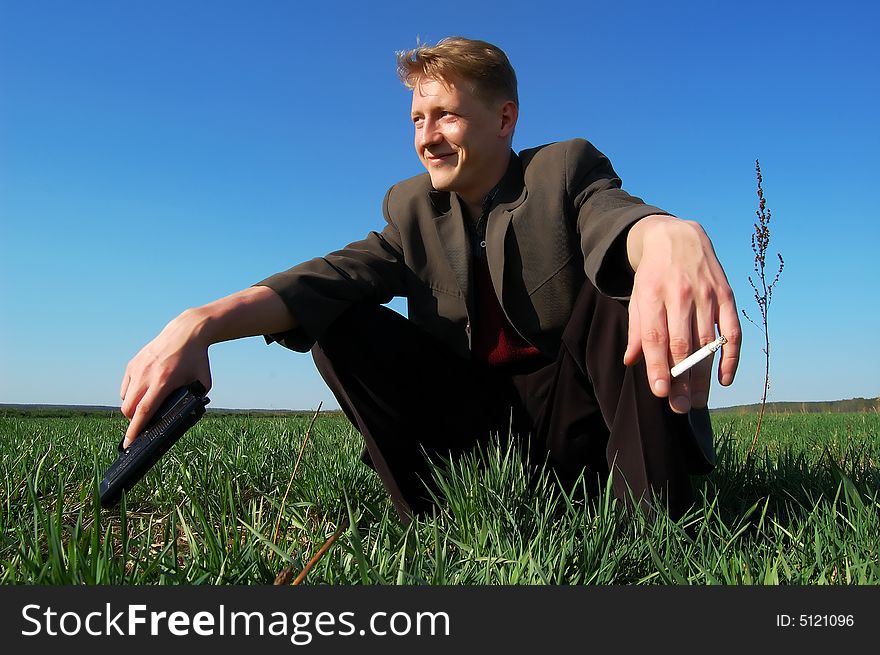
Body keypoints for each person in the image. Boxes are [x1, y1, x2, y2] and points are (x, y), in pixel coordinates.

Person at [119, 37, 741, 523]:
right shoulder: (411, 209)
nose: (426, 138)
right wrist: (198, 323)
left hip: (581, 419)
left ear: (504, 118)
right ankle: (441, 520)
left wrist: (668, 234)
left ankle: (654, 526)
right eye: (417, 119)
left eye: (444, 116)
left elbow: (614, 217)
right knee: (340, 320)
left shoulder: (563, 170)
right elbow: (329, 277)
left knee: (624, 284)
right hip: (482, 429)